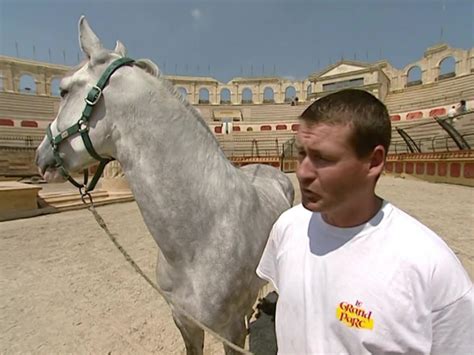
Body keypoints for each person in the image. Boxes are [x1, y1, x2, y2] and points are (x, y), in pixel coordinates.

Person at [256, 89, 473, 354]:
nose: (302, 172)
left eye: (323, 158)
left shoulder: (431, 267)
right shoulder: (287, 227)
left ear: (373, 162)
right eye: (301, 153)